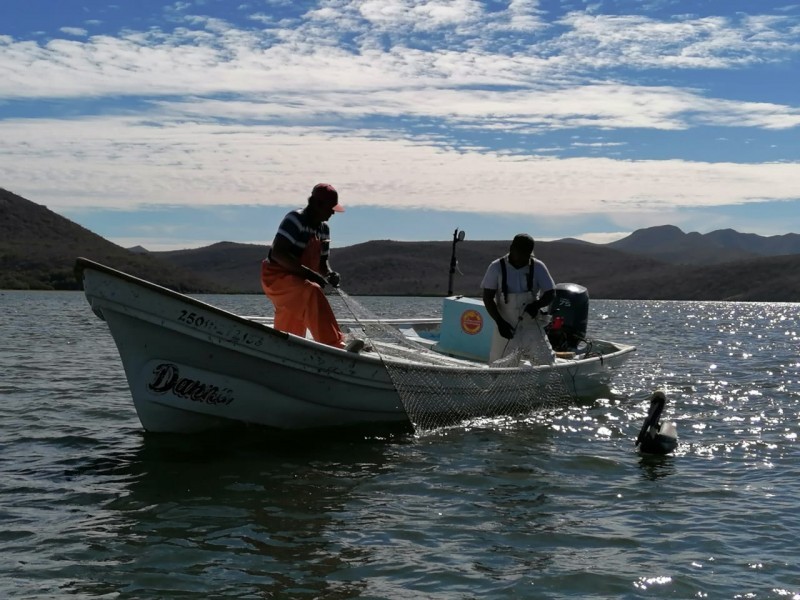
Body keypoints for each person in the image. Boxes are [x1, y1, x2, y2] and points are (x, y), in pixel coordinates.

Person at [260, 183, 347, 348]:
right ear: (316, 204)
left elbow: (322, 264)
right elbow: (279, 253)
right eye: (330, 208)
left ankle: (285, 351)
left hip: (299, 280)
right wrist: (309, 274)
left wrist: (329, 274)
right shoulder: (295, 219)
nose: (333, 212)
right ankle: (334, 344)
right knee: (312, 291)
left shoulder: (324, 230)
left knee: (292, 325)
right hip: (276, 278)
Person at [481, 233, 556, 362]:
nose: (524, 258)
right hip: (505, 325)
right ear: (511, 249)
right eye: (520, 253)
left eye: (527, 254)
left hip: (531, 324)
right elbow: (487, 298)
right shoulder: (496, 267)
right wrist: (499, 322)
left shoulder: (538, 266)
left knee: (546, 360)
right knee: (500, 364)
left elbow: (551, 292)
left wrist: (537, 305)